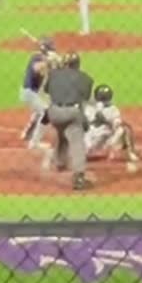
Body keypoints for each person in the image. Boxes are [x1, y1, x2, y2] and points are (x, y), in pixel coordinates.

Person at [42, 52, 95, 190]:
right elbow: (84, 99)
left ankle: (59, 161)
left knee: (62, 131)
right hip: (71, 113)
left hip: (53, 113)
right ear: (78, 64)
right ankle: (78, 177)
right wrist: (83, 120)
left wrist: (55, 70)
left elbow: (46, 90)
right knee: (76, 139)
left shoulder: (54, 74)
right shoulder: (85, 78)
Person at [82, 84, 142, 173]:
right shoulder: (113, 110)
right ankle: (131, 154)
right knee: (125, 128)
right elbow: (117, 125)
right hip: (101, 146)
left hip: (84, 146)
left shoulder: (87, 107)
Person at [19, 39, 54, 148]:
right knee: (46, 114)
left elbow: (50, 75)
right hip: (28, 93)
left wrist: (56, 62)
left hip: (32, 93)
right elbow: (37, 68)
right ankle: (34, 143)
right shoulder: (36, 57)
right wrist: (49, 61)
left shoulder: (43, 59)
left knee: (38, 112)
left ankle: (27, 134)